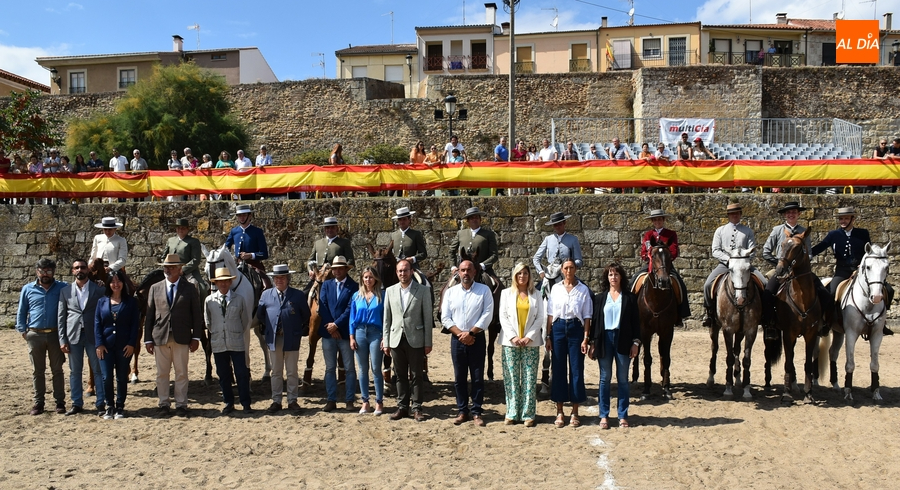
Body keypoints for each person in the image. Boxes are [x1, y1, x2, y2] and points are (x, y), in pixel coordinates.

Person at [762, 201, 833, 339]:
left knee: (825, 295)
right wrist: (781, 264)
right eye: (788, 212)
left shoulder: (803, 232)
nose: (791, 214)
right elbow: (766, 252)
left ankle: (822, 323)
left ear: (798, 214)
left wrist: (799, 261)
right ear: (784, 215)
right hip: (781, 271)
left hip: (801, 271)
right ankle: (770, 325)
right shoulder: (777, 231)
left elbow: (810, 253)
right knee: (767, 294)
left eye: (794, 212)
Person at [144, 254, 203, 417]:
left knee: (181, 372)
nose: (167, 270)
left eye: (171, 267)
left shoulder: (190, 288)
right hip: (160, 336)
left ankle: (181, 404)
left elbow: (196, 315)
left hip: (182, 336)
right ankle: (163, 403)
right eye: (166, 267)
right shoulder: (155, 288)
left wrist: (196, 337)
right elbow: (149, 315)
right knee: (162, 373)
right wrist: (148, 338)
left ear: (179, 269)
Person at [441, 260, 493, 426]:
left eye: (468, 270)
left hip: (477, 338)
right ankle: (462, 410)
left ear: (474, 272)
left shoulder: (484, 290)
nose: (465, 273)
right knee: (459, 377)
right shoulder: (451, 292)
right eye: (462, 270)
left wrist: (471, 333)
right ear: (458, 272)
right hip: (457, 340)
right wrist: (460, 334)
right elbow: (445, 317)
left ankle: (477, 411)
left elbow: (487, 314)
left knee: (477, 377)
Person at [589, 262, 640, 430]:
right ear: (607, 277)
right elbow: (595, 323)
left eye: (616, 274)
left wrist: (636, 343)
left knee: (623, 379)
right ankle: (604, 415)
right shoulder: (600, 298)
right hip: (605, 339)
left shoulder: (630, 298)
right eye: (611, 274)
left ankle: (622, 414)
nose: (613, 277)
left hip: (623, 339)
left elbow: (636, 323)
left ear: (621, 277)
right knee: (605, 379)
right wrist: (593, 342)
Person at [383, 259, 434, 422]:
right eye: (400, 271)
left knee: (416, 374)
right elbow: (387, 318)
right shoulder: (390, 291)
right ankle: (402, 406)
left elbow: (427, 318)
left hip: (416, 338)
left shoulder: (423, 290)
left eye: (405, 270)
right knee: (399, 374)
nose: (402, 274)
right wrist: (386, 340)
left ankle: (417, 407)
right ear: (396, 273)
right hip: (396, 338)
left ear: (411, 271)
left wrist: (428, 342)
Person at [16, 258, 68, 415]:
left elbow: (81, 288)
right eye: (42, 271)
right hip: (35, 334)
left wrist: (99, 284)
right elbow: (22, 311)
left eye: (48, 271)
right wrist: (24, 331)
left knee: (57, 370)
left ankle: (60, 402)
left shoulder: (63, 287)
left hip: (55, 335)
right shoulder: (28, 289)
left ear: (53, 271)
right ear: (36, 271)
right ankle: (39, 403)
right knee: (37, 371)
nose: (45, 274)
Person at [257, 264, 310, 413]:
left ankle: (292, 400)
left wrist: (293, 327)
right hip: (274, 339)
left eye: (282, 277)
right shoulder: (266, 295)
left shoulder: (298, 295)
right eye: (276, 278)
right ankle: (276, 400)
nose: (279, 280)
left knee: (292, 371)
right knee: (276, 371)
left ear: (288, 279)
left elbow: (305, 315)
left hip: (291, 338)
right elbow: (261, 315)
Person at [546, 259, 592, 428]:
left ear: (576, 269)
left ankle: (575, 411)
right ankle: (559, 410)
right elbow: (550, 314)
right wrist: (548, 336)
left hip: (575, 329)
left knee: (576, 369)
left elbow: (587, 316)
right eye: (566, 268)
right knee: (558, 369)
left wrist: (586, 338)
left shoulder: (583, 289)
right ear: (561, 270)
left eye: (572, 267)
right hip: (558, 328)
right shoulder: (555, 289)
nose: (569, 270)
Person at [58, 259, 106, 416]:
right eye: (76, 268)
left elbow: (104, 313)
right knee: (75, 371)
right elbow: (61, 317)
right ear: (73, 271)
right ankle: (76, 403)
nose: (80, 270)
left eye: (83, 267)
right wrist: (62, 339)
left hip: (93, 335)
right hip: (73, 336)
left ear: (87, 270)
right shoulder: (65, 291)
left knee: (98, 370)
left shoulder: (99, 289)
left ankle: (101, 403)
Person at [498, 262, 544, 427]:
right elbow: (503, 316)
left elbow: (540, 317)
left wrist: (529, 337)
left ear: (529, 276)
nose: (522, 276)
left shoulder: (536, 294)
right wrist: (513, 337)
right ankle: (511, 412)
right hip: (510, 343)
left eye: (525, 273)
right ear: (514, 276)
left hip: (530, 343)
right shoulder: (505, 294)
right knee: (511, 377)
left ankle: (528, 414)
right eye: (519, 274)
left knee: (529, 378)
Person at [703, 203, 760, 328]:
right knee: (707, 285)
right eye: (732, 213)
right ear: (728, 215)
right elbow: (715, 250)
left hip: (744, 266)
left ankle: (764, 315)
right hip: (725, 265)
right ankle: (709, 314)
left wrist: (744, 262)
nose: (735, 215)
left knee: (764, 283)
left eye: (737, 213)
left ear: (740, 214)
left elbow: (752, 250)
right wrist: (729, 260)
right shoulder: (720, 231)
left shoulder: (747, 231)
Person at [205, 267, 252, 415]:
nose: (223, 284)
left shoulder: (239, 299)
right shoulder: (209, 301)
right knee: (223, 375)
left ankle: (245, 403)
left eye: (225, 281)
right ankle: (228, 402)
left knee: (241, 373)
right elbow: (208, 322)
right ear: (216, 283)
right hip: (219, 342)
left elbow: (245, 321)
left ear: (230, 282)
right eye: (220, 282)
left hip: (236, 341)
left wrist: (234, 331)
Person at [94, 269, 140, 420]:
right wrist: (99, 344)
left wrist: (132, 343)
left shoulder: (131, 302)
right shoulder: (101, 302)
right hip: (106, 347)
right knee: (107, 377)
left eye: (118, 281)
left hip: (124, 346)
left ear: (123, 283)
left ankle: (120, 406)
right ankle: (109, 406)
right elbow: (97, 324)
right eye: (112, 281)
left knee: (121, 377)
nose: (116, 284)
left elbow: (135, 325)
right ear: (108, 284)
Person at [632, 209, 691, 324]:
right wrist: (647, 257)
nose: (657, 221)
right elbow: (644, 251)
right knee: (633, 281)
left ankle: (681, 313)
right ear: (652, 221)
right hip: (650, 264)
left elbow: (674, 251)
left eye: (659, 219)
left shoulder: (670, 234)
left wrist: (666, 260)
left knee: (680, 284)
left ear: (663, 220)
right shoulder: (648, 235)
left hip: (666, 265)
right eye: (655, 220)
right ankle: (632, 311)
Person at [318, 256, 359, 412]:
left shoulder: (353, 286)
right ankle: (331, 399)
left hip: (344, 333)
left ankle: (349, 399)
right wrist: (331, 326)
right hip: (329, 333)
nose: (337, 271)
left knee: (349, 368)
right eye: (334, 268)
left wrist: (336, 325)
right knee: (330, 368)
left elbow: (350, 308)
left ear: (345, 269)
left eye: (340, 268)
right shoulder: (326, 284)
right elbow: (322, 306)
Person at [349, 266, 385, 415]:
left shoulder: (382, 296)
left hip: (376, 333)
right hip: (360, 332)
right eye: (365, 277)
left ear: (375, 278)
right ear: (362, 279)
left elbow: (386, 317)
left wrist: (385, 336)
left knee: (376, 368)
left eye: (370, 277)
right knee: (363, 370)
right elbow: (352, 318)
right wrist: (351, 336)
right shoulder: (356, 296)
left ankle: (379, 402)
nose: (368, 280)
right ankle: (365, 401)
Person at [533, 212, 583, 292]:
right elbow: (536, 258)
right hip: (550, 274)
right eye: (555, 225)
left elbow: (579, 261)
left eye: (559, 224)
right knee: (534, 294)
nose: (557, 227)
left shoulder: (573, 239)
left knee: (588, 292)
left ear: (564, 223)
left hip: (567, 274)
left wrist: (568, 266)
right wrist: (541, 271)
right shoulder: (548, 239)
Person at [162, 218, 207, 297]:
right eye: (178, 228)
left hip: (188, 272)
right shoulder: (170, 240)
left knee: (202, 289)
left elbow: (196, 260)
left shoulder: (193, 241)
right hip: (169, 270)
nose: (180, 230)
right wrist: (166, 267)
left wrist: (183, 270)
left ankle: (200, 308)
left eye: (183, 228)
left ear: (187, 229)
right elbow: (163, 257)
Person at [449, 207, 499, 276]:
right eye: (472, 218)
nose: (474, 220)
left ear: (480, 219)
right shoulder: (460, 233)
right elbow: (452, 250)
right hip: (463, 270)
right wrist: (453, 266)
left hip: (483, 270)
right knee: (449, 285)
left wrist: (482, 265)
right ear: (468, 221)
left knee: (497, 284)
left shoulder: (489, 234)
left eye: (476, 217)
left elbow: (494, 255)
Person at [225, 204, 269, 272]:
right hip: (237, 266)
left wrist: (251, 255)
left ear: (249, 216)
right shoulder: (234, 231)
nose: (242, 217)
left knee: (265, 281)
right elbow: (226, 248)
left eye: (244, 215)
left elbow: (264, 254)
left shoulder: (257, 231)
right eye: (239, 215)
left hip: (255, 266)